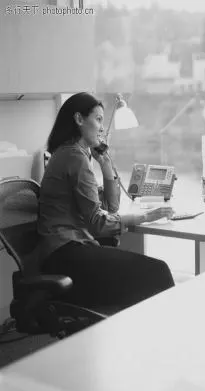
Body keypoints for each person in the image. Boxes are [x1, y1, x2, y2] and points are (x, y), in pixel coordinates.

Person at [37, 92, 175, 312]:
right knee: (158, 273)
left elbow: (111, 208)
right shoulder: (74, 157)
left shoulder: (72, 154)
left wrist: (105, 163)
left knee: (148, 275)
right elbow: (98, 224)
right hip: (66, 254)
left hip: (67, 251)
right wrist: (146, 216)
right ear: (79, 119)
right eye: (98, 119)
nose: (102, 128)